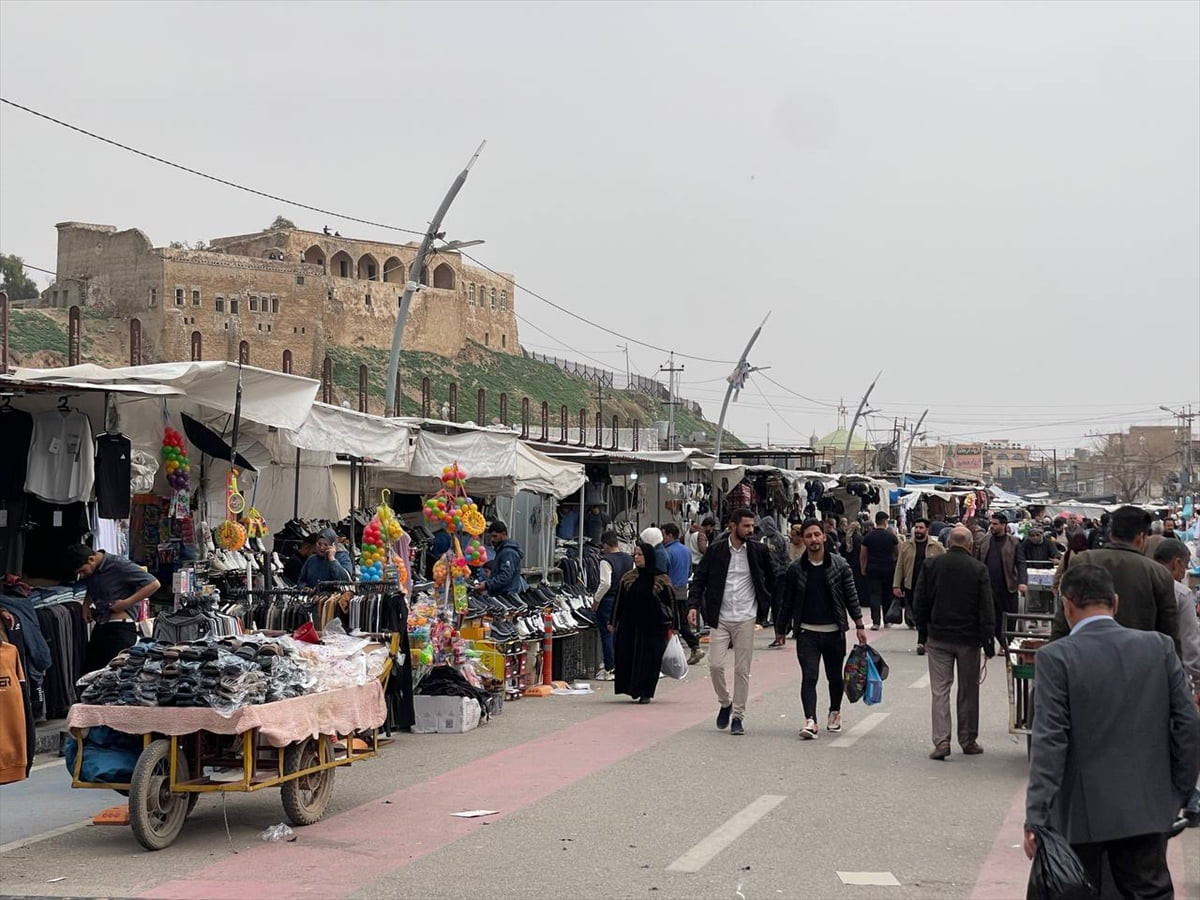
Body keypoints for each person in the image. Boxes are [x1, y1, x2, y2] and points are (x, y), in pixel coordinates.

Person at [1024, 565, 1200, 898]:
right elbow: (1188, 724)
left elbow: (1050, 740)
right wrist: (1178, 790)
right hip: (1148, 810)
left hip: (1080, 813)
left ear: (1067, 604)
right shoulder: (1159, 647)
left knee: (1079, 889)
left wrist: (1036, 815)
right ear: (1115, 603)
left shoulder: (1055, 658)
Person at [687, 508, 775, 736]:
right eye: (746, 526)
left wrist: (771, 604)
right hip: (721, 617)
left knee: (742, 670)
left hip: (746, 617)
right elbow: (700, 579)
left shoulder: (758, 550)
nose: (750, 530)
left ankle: (738, 716)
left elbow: (773, 577)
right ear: (732, 526)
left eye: (752, 526)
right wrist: (693, 605)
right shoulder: (716, 550)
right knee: (715, 665)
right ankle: (725, 702)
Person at [778, 519, 866, 740]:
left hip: (834, 632)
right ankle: (810, 720)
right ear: (804, 540)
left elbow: (851, 596)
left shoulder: (840, 565)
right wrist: (781, 628)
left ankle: (834, 712)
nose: (814, 539)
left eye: (817, 535)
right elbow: (787, 601)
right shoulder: (795, 569)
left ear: (824, 537)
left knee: (835, 677)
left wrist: (859, 624)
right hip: (807, 632)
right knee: (809, 676)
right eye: (809, 536)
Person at [912, 527, 994, 760]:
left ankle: (941, 742)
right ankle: (968, 740)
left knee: (940, 691)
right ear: (969, 545)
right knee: (968, 690)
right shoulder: (979, 569)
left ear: (948, 542)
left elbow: (920, 601)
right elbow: (986, 608)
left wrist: (923, 632)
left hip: (938, 637)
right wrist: (988, 641)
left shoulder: (932, 565)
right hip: (968, 640)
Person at [1050, 505, 1179, 652]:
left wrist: (1055, 654)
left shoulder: (1084, 561)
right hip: (1139, 661)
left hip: (1086, 657)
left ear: (1111, 534)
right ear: (1141, 537)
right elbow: (1170, 631)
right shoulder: (1158, 573)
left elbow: (1063, 618)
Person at [1153, 538, 1200, 833]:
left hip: (1136, 676)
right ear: (1177, 563)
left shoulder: (1134, 584)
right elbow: (1190, 645)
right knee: (1184, 737)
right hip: (1174, 678)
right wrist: (1196, 679)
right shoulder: (1180, 593)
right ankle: (1191, 800)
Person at [67, 544, 161, 673]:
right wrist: (86, 605)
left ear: (91, 559)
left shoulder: (119, 565)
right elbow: (92, 584)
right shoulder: (93, 570)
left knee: (113, 675)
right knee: (89, 674)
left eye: (82, 571)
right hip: (101, 625)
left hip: (120, 629)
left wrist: (126, 603)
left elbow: (153, 584)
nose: (82, 575)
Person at [610, 541, 675, 704]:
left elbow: (672, 604)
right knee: (629, 656)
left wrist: (675, 626)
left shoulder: (661, 579)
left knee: (650, 659)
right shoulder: (629, 577)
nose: (637, 558)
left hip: (654, 628)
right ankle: (633, 688)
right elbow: (620, 601)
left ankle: (646, 691)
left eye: (640, 555)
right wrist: (613, 621)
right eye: (635, 555)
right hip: (630, 626)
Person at [893, 518, 945, 654]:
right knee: (918, 615)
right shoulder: (905, 546)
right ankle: (922, 641)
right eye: (916, 527)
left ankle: (925, 641)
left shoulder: (937, 547)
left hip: (931, 587)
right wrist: (896, 585)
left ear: (927, 530)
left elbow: (945, 567)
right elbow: (900, 566)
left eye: (921, 528)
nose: (917, 530)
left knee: (930, 615)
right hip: (912, 585)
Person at [974, 512, 1027, 644]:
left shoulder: (1014, 542)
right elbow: (976, 560)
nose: (992, 526)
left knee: (1009, 615)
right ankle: (993, 641)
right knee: (991, 616)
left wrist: (1022, 582)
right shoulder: (985, 540)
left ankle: (1007, 642)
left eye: (995, 524)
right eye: (991, 523)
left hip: (1007, 585)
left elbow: (1021, 563)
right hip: (988, 585)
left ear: (1004, 525)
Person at [591, 531, 633, 681]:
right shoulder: (629, 559)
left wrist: (596, 600)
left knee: (607, 634)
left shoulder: (605, 560)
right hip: (625, 599)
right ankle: (622, 665)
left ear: (606, 545)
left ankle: (610, 668)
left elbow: (605, 583)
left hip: (608, 600)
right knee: (621, 633)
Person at [661, 523, 705, 665]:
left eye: (663, 535)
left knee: (673, 622)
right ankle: (693, 647)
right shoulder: (686, 550)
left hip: (670, 591)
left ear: (669, 535)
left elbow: (664, 572)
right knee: (680, 621)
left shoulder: (666, 552)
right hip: (683, 589)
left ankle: (691, 647)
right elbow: (689, 570)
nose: (662, 538)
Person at [859, 511, 898, 630]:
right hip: (888, 568)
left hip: (873, 568)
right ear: (885, 521)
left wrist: (863, 567)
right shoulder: (891, 536)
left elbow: (863, 554)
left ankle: (875, 622)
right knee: (887, 595)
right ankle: (887, 620)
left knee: (874, 595)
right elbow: (897, 553)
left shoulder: (869, 536)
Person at [476, 521, 527, 595]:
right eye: (490, 537)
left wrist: (487, 585)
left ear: (503, 534)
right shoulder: (501, 550)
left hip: (506, 596)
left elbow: (505, 576)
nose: (492, 540)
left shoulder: (508, 552)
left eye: (495, 536)